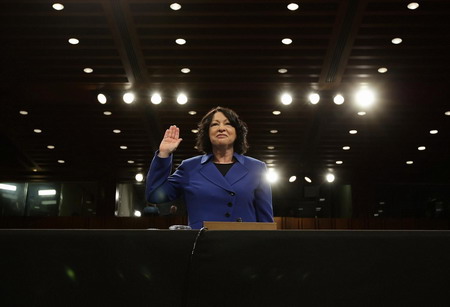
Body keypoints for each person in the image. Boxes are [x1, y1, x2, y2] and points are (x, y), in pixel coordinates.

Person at [145, 106, 274, 229]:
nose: (221, 128)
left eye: (227, 123)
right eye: (214, 124)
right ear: (207, 133)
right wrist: (164, 154)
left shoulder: (257, 168)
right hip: (203, 245)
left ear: (237, 132)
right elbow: (154, 195)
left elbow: (266, 221)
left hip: (244, 246)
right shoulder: (190, 167)